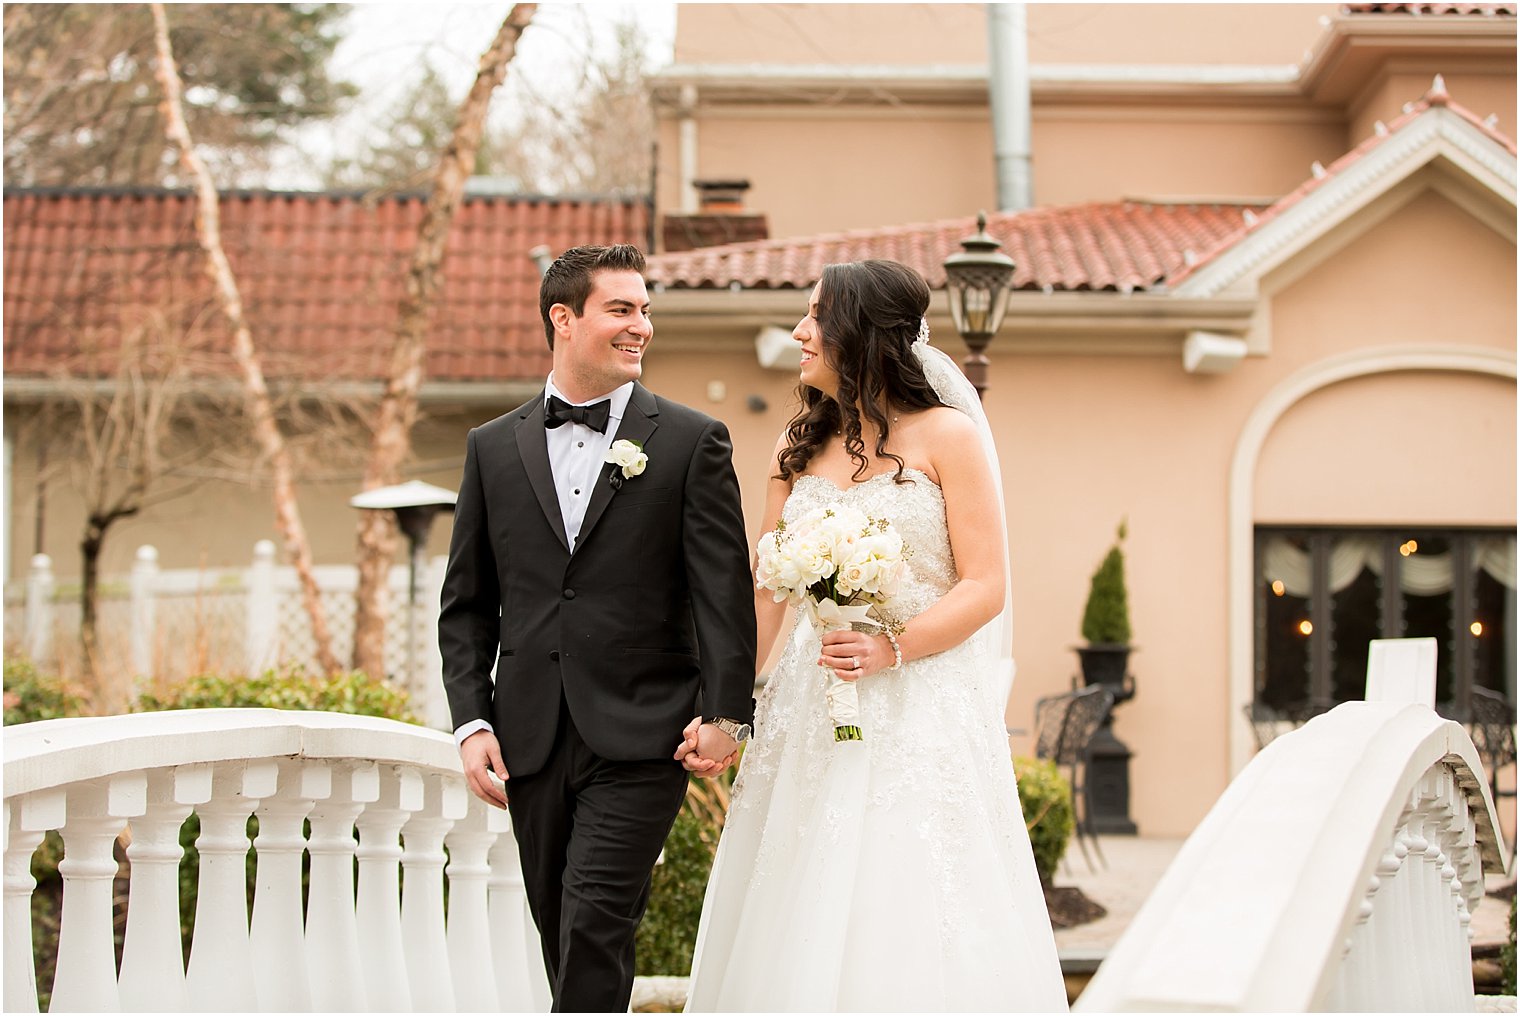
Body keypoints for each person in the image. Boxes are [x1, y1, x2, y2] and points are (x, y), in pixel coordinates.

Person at [679, 259, 1068, 1012]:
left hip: (918, 707)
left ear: (864, 333)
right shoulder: (795, 449)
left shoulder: (948, 437)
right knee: (799, 889)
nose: (799, 332)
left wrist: (894, 647)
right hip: (808, 708)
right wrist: (728, 713)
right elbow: (764, 593)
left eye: (816, 317)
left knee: (909, 891)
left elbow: (985, 584)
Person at [438, 244, 756, 1013]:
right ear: (563, 318)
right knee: (560, 927)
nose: (640, 326)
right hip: (530, 735)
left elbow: (722, 591)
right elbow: (467, 602)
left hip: (646, 730)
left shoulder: (690, 441)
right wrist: (471, 719)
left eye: (645, 311)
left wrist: (726, 715)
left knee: (594, 921)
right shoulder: (491, 448)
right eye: (622, 309)